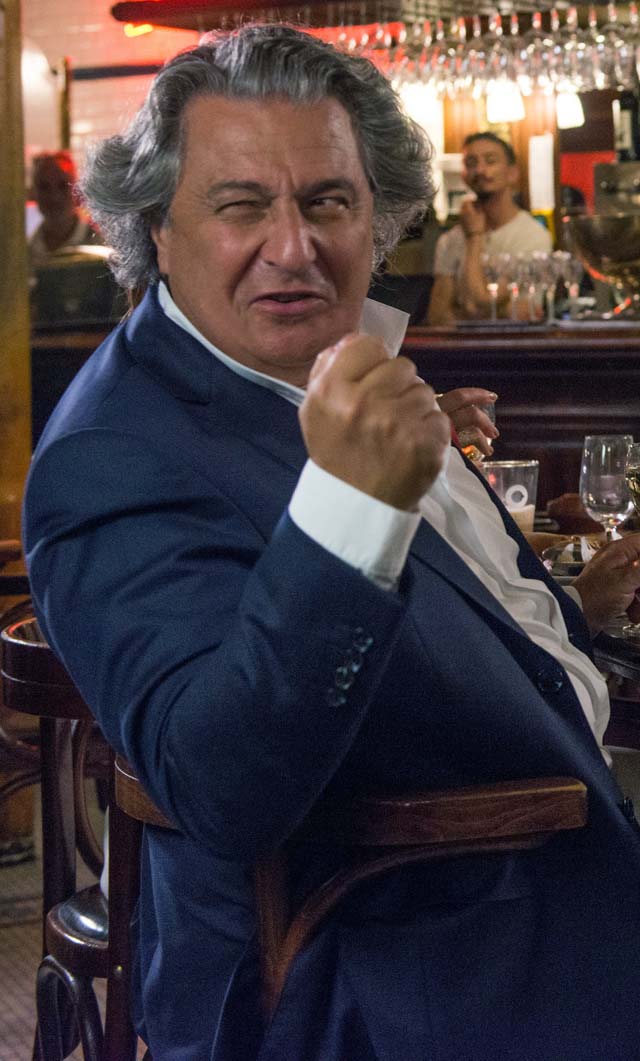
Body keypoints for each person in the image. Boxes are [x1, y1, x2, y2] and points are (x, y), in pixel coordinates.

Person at [22, 24, 640, 1061]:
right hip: (384, 986)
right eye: (240, 205)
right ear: (156, 229)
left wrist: (573, 613)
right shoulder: (112, 454)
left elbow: (441, 638)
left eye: (327, 201)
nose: (293, 245)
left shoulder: (340, 369)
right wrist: (353, 502)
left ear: (378, 216)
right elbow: (222, 785)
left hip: (546, 896)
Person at [428, 132, 552, 324]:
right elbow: (438, 317)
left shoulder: (533, 236)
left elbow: (493, 304)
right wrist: (503, 310)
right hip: (462, 345)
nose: (480, 169)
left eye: (490, 160)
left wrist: (474, 236)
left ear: (512, 173)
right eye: (471, 163)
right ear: (463, 175)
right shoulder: (449, 240)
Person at [28, 150, 102, 267]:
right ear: (33, 193)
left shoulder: (100, 246)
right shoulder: (26, 252)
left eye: (63, 186)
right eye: (44, 187)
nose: (54, 197)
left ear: (77, 192)